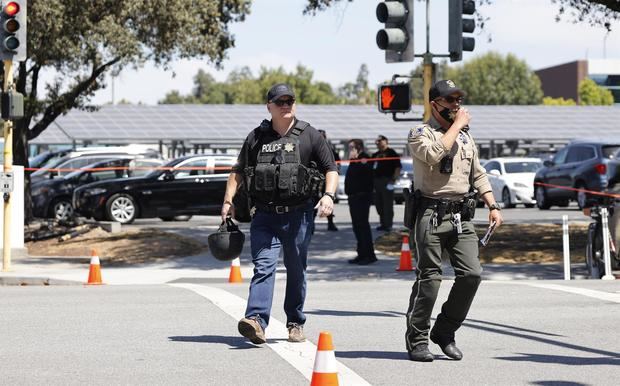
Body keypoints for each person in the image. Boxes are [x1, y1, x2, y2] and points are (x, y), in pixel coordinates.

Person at [221, 83, 338, 345]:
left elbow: (331, 168)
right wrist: (228, 201)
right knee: (263, 267)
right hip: (264, 216)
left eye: (290, 101)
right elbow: (237, 171)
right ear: (269, 106)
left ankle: (295, 321)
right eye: (281, 102)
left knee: (296, 270)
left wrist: (328, 196)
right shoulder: (256, 137)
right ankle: (255, 321)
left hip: (299, 215)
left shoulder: (309, 135)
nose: (286, 105)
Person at [404, 79, 503, 362]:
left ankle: (444, 331)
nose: (456, 105)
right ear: (435, 104)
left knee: (472, 274)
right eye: (450, 101)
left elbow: (478, 173)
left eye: (458, 100)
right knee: (430, 279)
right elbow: (434, 155)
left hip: (461, 215)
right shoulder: (419, 133)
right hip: (430, 214)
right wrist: (457, 126)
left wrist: (492, 205)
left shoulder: (465, 137)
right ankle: (417, 339)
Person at [345, 139, 377, 265]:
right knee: (357, 227)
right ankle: (361, 253)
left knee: (363, 226)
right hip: (354, 197)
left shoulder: (364, 159)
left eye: (352, 148)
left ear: (358, 147)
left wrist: (357, 160)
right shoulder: (355, 160)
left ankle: (368, 255)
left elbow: (367, 174)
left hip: (362, 197)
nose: (350, 150)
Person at [372, 135, 401, 232]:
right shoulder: (375, 154)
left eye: (379, 141)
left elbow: (397, 167)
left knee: (387, 204)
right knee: (378, 204)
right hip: (377, 181)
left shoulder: (391, 153)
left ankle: (388, 224)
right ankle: (382, 223)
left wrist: (393, 180)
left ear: (385, 141)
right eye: (377, 141)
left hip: (387, 181)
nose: (377, 143)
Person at [316, 129, 339, 232]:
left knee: (328, 199)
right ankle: (310, 224)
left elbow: (336, 164)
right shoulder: (313, 148)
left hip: (327, 178)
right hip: (315, 179)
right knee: (313, 199)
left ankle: (330, 223)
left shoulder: (330, 149)